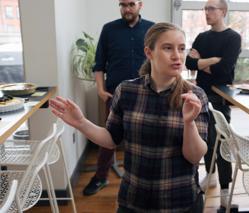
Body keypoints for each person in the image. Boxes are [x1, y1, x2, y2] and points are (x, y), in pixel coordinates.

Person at [50, 23, 210, 213]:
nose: (177, 55)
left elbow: (194, 156)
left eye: (182, 48)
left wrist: (189, 122)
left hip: (179, 201)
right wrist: (81, 123)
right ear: (149, 53)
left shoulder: (194, 96)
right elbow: (111, 140)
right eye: (168, 48)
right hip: (133, 200)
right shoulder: (127, 90)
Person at [85, 0, 154, 196]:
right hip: (114, 94)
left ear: (140, 4)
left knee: (146, 138)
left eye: (131, 4)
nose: (127, 8)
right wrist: (100, 89)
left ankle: (144, 180)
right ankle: (100, 177)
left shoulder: (152, 29)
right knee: (108, 139)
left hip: (147, 94)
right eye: (123, 4)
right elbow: (99, 64)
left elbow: (158, 59)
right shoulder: (109, 29)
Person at [185, 0, 241, 210]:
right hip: (201, 93)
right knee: (205, 138)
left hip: (219, 95)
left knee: (221, 139)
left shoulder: (233, 38)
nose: (206, 12)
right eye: (205, 8)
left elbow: (225, 71)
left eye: (211, 8)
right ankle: (210, 175)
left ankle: (225, 190)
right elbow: (189, 63)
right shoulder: (202, 36)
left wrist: (202, 62)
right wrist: (213, 61)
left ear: (223, 11)